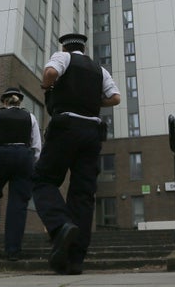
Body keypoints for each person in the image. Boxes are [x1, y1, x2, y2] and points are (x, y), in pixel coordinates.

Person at [33, 33, 121, 275]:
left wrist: (46, 85)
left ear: (65, 46)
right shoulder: (99, 70)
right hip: (92, 132)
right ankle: (74, 260)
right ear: (84, 47)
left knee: (43, 180)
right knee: (83, 194)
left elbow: (50, 73)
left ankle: (60, 226)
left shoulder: (63, 57)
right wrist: (92, 101)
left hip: (66, 126)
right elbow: (115, 98)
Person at [0, 87, 42, 261]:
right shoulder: (31, 117)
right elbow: (36, 146)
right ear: (20, 101)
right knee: (18, 203)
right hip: (24, 156)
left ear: (4, 101)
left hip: (2, 156)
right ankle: (13, 249)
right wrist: (32, 163)